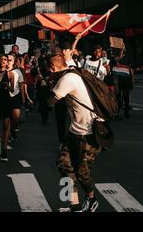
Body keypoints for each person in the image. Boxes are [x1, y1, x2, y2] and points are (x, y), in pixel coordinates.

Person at [47, 54, 101, 212]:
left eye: (49, 70)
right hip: (74, 131)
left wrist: (46, 84)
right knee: (64, 165)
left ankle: (92, 199)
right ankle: (74, 205)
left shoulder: (67, 79)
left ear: (53, 68)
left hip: (88, 134)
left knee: (81, 172)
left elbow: (50, 102)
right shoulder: (71, 72)